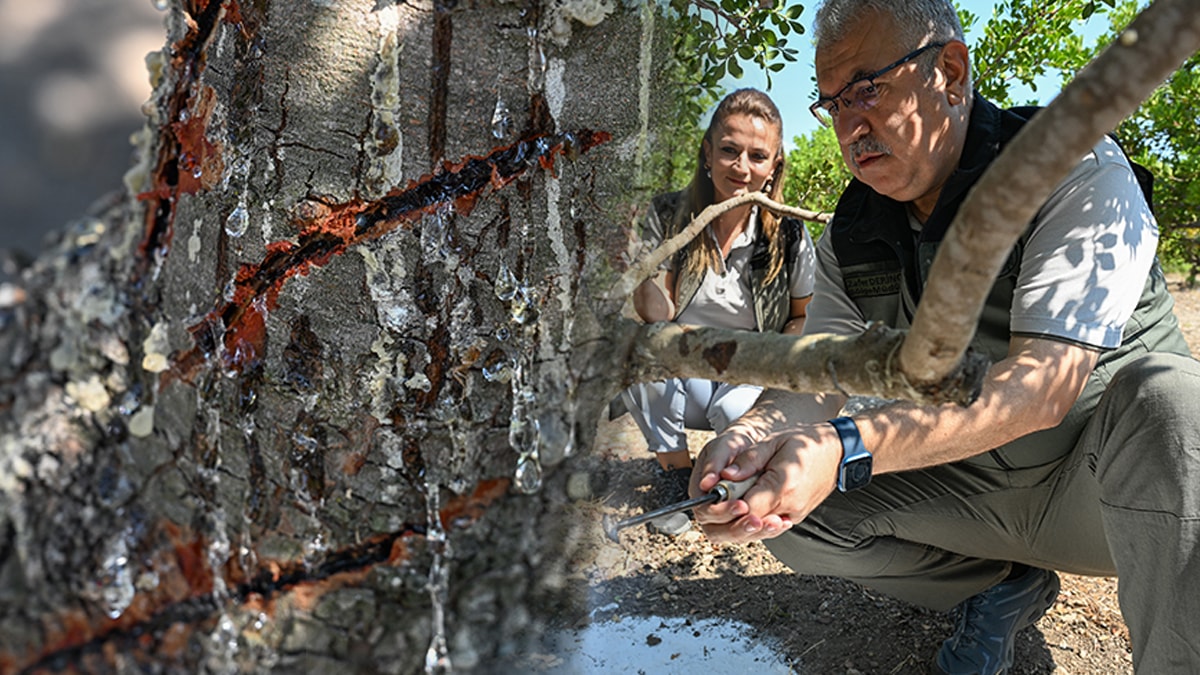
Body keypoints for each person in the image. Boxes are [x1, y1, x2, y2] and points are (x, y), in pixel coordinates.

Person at [690, 2, 1200, 673]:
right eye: (833, 103)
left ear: (950, 73)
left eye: (868, 89)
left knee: (1170, 401)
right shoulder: (853, 232)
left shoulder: (1069, 168)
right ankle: (1000, 588)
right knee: (789, 509)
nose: (851, 125)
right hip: (975, 488)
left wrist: (845, 445)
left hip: (1108, 497)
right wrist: (752, 439)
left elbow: (1039, 391)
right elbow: (819, 379)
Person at [621, 88, 817, 535]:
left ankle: (716, 485)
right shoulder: (669, 215)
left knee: (734, 416)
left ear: (774, 167)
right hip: (683, 366)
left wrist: (763, 358)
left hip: (749, 370)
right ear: (707, 153)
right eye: (729, 151)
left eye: (757, 156)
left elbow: (803, 317)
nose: (742, 168)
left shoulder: (787, 233)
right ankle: (674, 478)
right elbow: (656, 315)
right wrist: (641, 263)